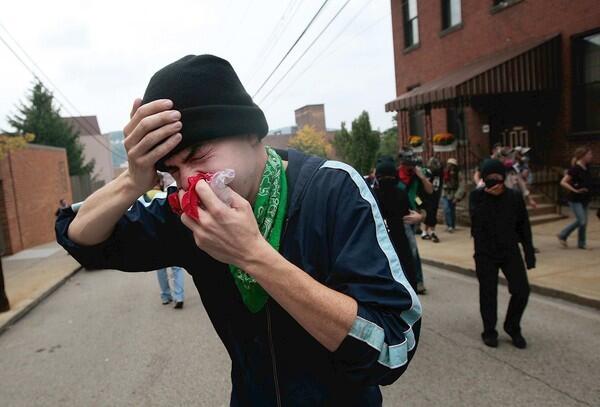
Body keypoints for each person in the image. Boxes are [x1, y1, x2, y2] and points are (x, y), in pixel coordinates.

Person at [56, 54, 421, 406]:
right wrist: (132, 181)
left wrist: (252, 255)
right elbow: (81, 237)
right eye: (174, 169)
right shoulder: (189, 214)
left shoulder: (332, 189)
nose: (190, 182)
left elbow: (391, 347)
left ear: (250, 133)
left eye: (198, 157)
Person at [469, 159, 535, 349]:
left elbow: (524, 226)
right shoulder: (476, 197)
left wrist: (529, 252)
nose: (494, 180)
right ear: (484, 178)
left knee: (522, 290)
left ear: (504, 177)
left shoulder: (514, 197)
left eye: (498, 177)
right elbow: (475, 224)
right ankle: (489, 330)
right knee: (488, 292)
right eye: (490, 177)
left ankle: (512, 326)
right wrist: (486, 199)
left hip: (510, 251)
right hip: (485, 252)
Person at [372, 156, 422, 290]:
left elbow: (417, 203)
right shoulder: (377, 194)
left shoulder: (373, 195)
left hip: (394, 238)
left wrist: (420, 216)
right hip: (396, 239)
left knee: (411, 257)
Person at [144, 177, 186, 308]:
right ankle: (178, 296)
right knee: (177, 268)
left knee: (160, 269)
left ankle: (165, 296)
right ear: (160, 183)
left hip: (155, 238)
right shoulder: (167, 194)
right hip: (174, 237)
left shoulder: (145, 198)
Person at [397, 147, 432, 294]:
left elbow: (430, 191)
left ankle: (417, 281)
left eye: (412, 165)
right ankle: (408, 281)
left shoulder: (419, 174)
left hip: (411, 216)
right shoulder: (394, 175)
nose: (411, 167)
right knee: (404, 250)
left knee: (412, 249)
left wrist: (422, 177)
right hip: (397, 217)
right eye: (408, 165)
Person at [558, 147, 594, 249]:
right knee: (581, 220)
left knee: (584, 223)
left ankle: (581, 243)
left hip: (585, 198)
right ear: (583, 156)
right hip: (575, 199)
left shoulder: (587, 167)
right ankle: (563, 234)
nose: (591, 156)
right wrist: (575, 190)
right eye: (589, 154)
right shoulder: (575, 169)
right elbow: (563, 182)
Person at [422, 156, 443, 242]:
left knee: (432, 214)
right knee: (429, 214)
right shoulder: (428, 174)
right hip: (428, 197)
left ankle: (429, 231)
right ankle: (428, 231)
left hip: (434, 196)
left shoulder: (438, 174)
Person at [441, 158, 465, 233]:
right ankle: (449, 226)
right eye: (449, 164)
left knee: (451, 210)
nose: (450, 166)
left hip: (453, 193)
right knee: (446, 209)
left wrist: (457, 196)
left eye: (452, 165)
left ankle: (452, 225)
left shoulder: (458, 173)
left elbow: (462, 185)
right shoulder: (444, 173)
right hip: (445, 193)